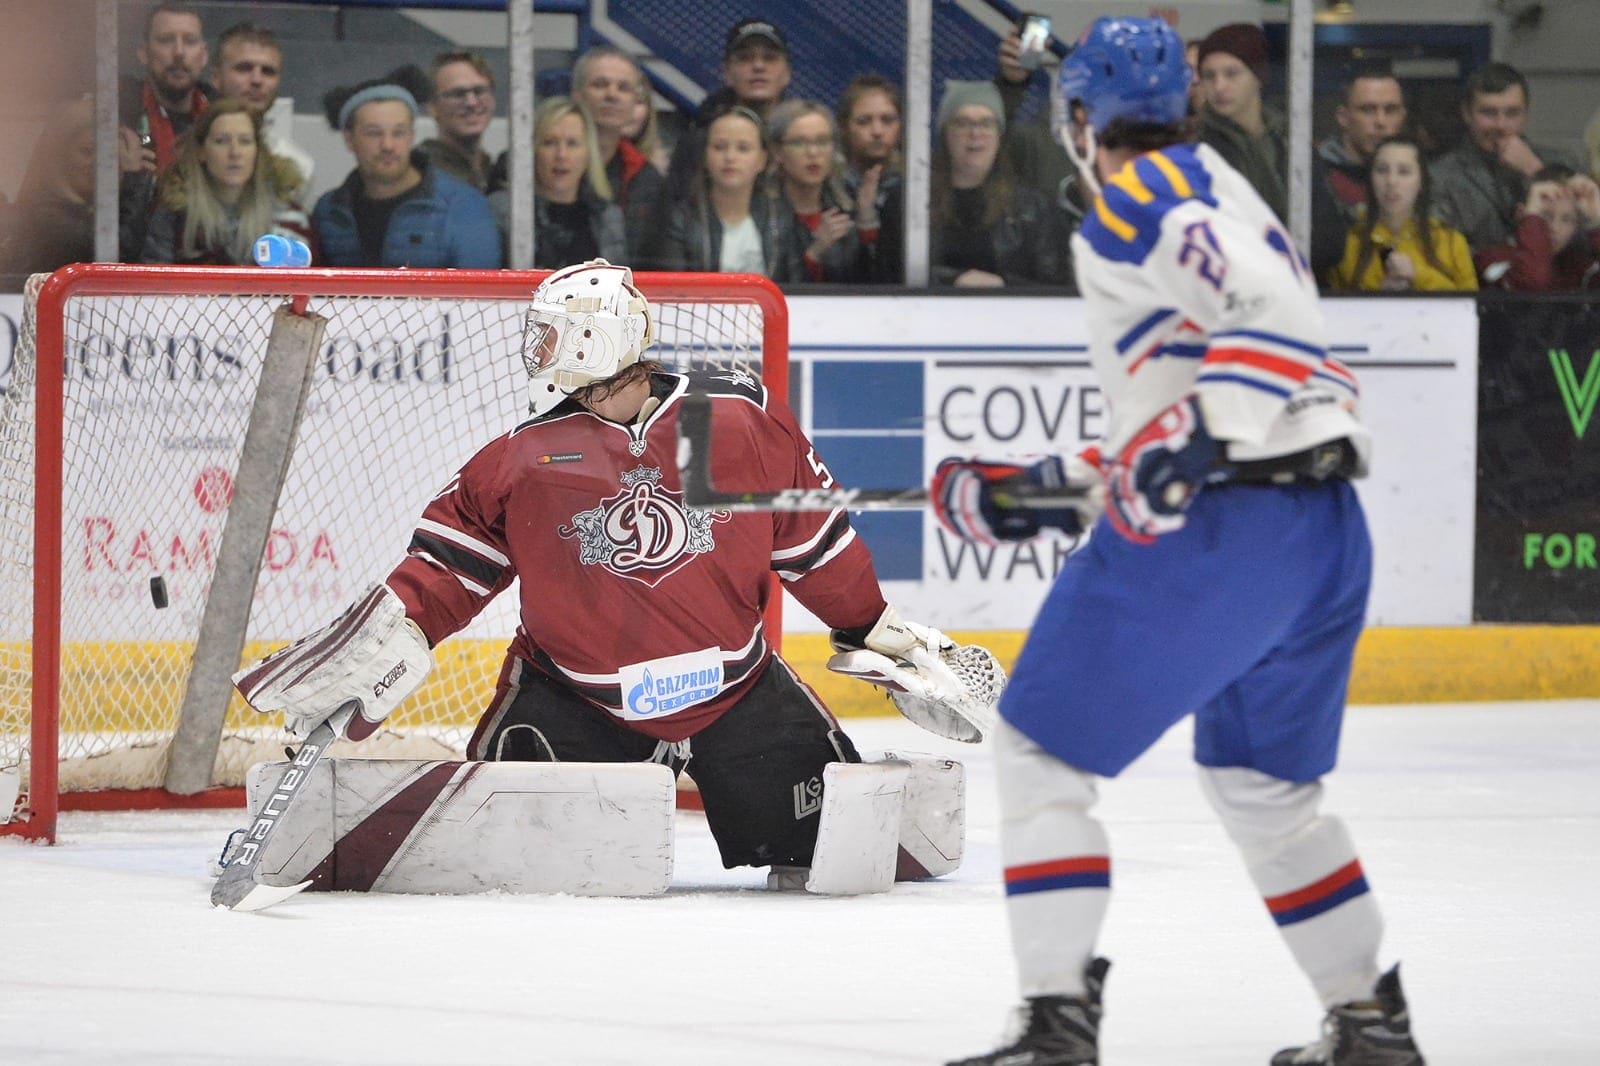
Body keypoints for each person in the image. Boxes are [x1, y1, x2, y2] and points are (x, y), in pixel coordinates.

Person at [936, 17, 1424, 1065]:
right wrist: (1053, 486)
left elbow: (1269, 325)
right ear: (1183, 107)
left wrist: (1198, 439)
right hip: (1323, 536)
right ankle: (1371, 1022)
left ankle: (1057, 1019)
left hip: (1230, 534)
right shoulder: (1214, 180)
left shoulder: (1132, 197)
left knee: (1035, 749)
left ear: (1080, 120)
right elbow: (1202, 397)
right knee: (1262, 790)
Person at [229, 258, 981, 890]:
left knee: (847, 859)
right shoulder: (522, 457)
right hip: (573, 699)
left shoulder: (740, 416)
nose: (537, 348)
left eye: (550, 332)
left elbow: (813, 541)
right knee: (494, 859)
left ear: (592, 339)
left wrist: (871, 625)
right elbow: (445, 571)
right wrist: (394, 632)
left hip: (739, 693)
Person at [312, 82, 500, 269]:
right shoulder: (330, 212)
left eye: (399, 133)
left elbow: (482, 294)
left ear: (412, 136)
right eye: (373, 133)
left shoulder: (463, 206)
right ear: (349, 139)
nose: (387, 145)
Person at [140, 98, 312, 265]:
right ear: (201, 151)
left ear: (258, 151)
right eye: (221, 141)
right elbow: (155, 288)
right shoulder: (174, 214)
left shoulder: (286, 213)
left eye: (245, 141)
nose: (235, 152)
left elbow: (299, 285)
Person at [930, 80, 1068, 288]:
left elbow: (1056, 286)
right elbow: (890, 274)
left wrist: (1003, 287)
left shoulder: (1034, 208)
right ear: (944, 133)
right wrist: (950, 281)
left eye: (987, 123)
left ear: (999, 135)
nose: (975, 133)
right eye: (962, 123)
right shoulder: (911, 201)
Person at [1431, 62, 1579, 252]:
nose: (1501, 125)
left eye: (1512, 113)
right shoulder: (1439, 176)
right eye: (1489, 113)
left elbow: (1583, 239)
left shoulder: (1563, 162)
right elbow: (1444, 251)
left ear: (1525, 115)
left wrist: (1536, 171)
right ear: (1467, 114)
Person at [646, 105, 801, 281]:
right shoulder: (681, 220)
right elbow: (674, 290)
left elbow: (795, 287)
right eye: (719, 147)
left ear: (762, 159)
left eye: (743, 148)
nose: (730, 157)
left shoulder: (780, 217)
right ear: (705, 155)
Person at [0, 95, 152, 272]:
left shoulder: (98, 212)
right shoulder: (46, 215)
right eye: (87, 151)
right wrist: (134, 179)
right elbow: (115, 259)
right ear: (58, 156)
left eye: (109, 152)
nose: (99, 162)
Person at [661, 18, 792, 209]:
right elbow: (675, 209)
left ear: (787, 74)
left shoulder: (803, 137)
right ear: (727, 73)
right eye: (745, 57)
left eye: (770, 57)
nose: (758, 66)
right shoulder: (699, 140)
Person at [487, 97, 625, 269]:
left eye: (572, 144)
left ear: (588, 153)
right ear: (533, 150)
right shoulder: (503, 211)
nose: (561, 155)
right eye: (550, 143)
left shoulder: (607, 217)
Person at [1326, 135, 1477, 292]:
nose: (1391, 181)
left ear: (1422, 183)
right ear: (1370, 179)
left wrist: (1417, 274)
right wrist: (1379, 297)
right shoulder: (1348, 245)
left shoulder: (1451, 242)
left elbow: (1469, 309)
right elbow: (1333, 313)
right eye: (1382, 170)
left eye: (1404, 172)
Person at [1312, 64, 1407, 280]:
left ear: (1402, 116)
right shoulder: (1315, 175)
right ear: (1343, 117)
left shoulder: (1419, 178)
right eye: (1367, 110)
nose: (1380, 122)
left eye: (1390, 110)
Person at [570, 45, 665, 259]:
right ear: (576, 94)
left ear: (634, 102)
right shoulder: (539, 164)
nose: (612, 95)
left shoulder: (648, 178)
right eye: (600, 84)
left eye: (623, 87)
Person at [765, 99, 872, 283]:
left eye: (822, 141)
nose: (813, 152)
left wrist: (866, 223)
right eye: (799, 143)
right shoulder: (764, 214)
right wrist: (814, 253)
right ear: (777, 152)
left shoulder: (847, 207)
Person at [1194, 22, 1288, 223]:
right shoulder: (1196, 147)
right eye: (1209, 76)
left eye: (1231, 74)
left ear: (1258, 77)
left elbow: (1326, 235)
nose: (1219, 87)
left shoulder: (1290, 139)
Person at [210, 22, 314, 201]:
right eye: (244, 68)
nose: (257, 80)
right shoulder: (186, 154)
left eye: (268, 71)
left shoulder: (299, 167)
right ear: (216, 78)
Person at [1477, 165, 1600, 290]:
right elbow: (1530, 285)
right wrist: (1532, 217)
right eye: (1545, 216)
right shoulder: (1492, 258)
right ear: (1522, 214)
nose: (1555, 228)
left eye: (1567, 219)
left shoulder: (1578, 268)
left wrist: (1595, 222)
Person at [123, 3, 213, 173]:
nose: (179, 52)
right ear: (144, 53)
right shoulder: (116, 117)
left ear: (204, 55)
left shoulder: (222, 119)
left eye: (190, 41)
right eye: (166, 40)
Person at [836, 73, 904, 283]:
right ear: (844, 128)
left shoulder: (919, 186)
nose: (877, 131)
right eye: (864, 121)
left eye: (887, 120)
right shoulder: (827, 186)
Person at [420, 51, 497, 193]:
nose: (471, 102)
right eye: (458, 94)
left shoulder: (500, 175)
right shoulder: (418, 174)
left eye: (479, 91)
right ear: (432, 107)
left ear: (493, 100)